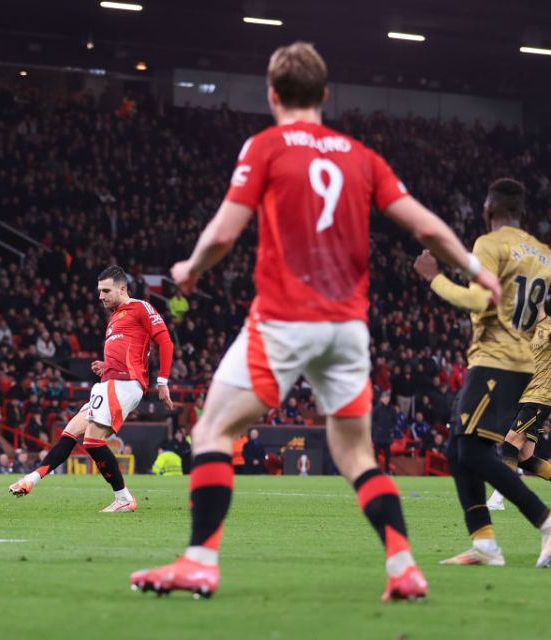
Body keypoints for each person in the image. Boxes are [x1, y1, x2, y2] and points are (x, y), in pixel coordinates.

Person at [131, 42, 499, 601]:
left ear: (272, 95)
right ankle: (403, 567)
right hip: (347, 328)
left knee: (212, 431)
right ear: (326, 95)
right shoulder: (360, 156)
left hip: (283, 318)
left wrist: (189, 268)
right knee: (356, 456)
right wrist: (475, 268)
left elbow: (226, 232)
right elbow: (424, 225)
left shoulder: (267, 146)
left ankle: (200, 562)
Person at [414, 177, 551, 567]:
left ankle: (544, 520)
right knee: (458, 449)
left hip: (496, 359)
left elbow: (477, 298)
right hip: (523, 362)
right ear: (521, 212)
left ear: (488, 209)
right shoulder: (543, 253)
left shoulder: (489, 244)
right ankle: (485, 543)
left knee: (472, 450)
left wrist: (433, 277)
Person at [8, 265, 174, 512]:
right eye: (99, 291)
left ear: (122, 289)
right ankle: (30, 480)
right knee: (70, 431)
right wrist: (106, 365)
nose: (101, 296)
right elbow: (129, 350)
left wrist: (162, 382)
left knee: (93, 441)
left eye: (106, 291)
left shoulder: (140, 307)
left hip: (126, 384)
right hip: (109, 381)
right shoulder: (114, 317)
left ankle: (124, 498)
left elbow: (165, 340)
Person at [487, 314, 551, 511]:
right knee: (525, 457)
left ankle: (499, 497)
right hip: (526, 397)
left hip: (540, 396)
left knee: (511, 442)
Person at [372, 391, 395, 473]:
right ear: (381, 399)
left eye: (387, 398)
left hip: (387, 435)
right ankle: (374, 470)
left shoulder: (392, 409)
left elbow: (394, 421)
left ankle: (387, 470)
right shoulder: (377, 409)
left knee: (387, 455)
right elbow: (372, 420)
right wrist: (377, 429)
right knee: (376, 454)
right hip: (378, 435)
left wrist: (390, 429)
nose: (386, 399)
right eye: (384, 398)